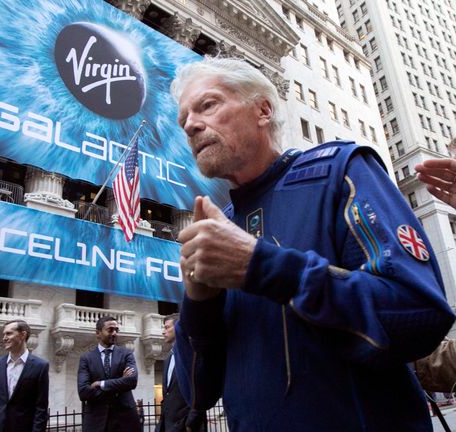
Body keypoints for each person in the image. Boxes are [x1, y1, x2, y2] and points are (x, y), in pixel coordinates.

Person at [170, 56, 454, 431]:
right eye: (183, 119)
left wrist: (262, 266)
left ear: (263, 110)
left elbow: (419, 315)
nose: (190, 125)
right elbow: (198, 395)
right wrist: (199, 302)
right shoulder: (219, 226)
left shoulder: (342, 170)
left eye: (207, 105)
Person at [0, 320, 49, 432]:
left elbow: (41, 408)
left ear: (23, 335)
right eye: (4, 334)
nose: (4, 338)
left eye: (9, 333)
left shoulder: (40, 366)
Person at [77, 315, 140, 432]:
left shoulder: (126, 354)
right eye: (110, 330)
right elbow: (83, 392)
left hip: (125, 421)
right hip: (96, 422)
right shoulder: (86, 358)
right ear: (98, 333)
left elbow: (131, 381)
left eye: (116, 330)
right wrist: (121, 383)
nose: (114, 333)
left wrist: (101, 384)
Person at [156, 314, 205, 432]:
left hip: (187, 425)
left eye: (167, 327)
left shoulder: (193, 354)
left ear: (179, 327)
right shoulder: (167, 358)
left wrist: (191, 423)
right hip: (168, 425)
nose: (163, 332)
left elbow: (200, 389)